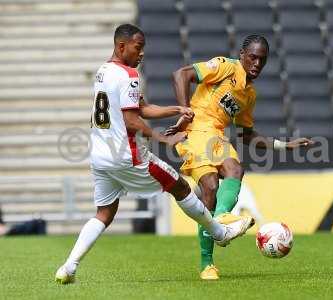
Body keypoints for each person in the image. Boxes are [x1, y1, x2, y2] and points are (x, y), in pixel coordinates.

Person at [55, 24, 254, 284]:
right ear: (121, 46)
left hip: (100, 157)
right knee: (181, 187)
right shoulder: (129, 75)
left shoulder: (104, 71)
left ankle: (68, 267)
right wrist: (164, 138)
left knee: (104, 213)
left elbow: (142, 108)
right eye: (138, 48)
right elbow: (131, 121)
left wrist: (176, 109)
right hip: (128, 155)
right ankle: (219, 231)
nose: (142, 54)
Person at [167, 34, 314, 280]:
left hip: (216, 137)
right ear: (243, 54)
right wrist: (184, 111)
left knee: (235, 169)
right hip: (194, 131)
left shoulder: (249, 95)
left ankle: (219, 225)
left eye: (262, 60)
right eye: (253, 57)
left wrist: (285, 146)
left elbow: (247, 136)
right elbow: (181, 74)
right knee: (210, 186)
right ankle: (208, 261)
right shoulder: (225, 66)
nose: (257, 63)